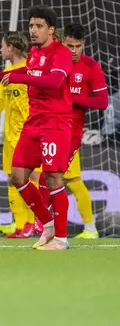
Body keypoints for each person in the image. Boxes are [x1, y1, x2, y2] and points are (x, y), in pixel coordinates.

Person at [0, 5, 73, 250]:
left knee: (52, 178)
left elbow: (54, 81)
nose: (33, 30)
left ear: (51, 29)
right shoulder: (36, 53)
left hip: (55, 123)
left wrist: (21, 77)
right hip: (33, 123)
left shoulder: (61, 53)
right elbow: (25, 70)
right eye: (31, 26)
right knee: (17, 176)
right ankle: (47, 224)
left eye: (39, 26)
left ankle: (61, 239)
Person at [0, 31, 38, 238]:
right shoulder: (9, 72)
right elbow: (1, 100)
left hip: (28, 135)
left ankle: (33, 221)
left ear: (11, 47)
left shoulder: (31, 71)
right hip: (10, 137)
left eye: (3, 46)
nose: (0, 49)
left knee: (31, 178)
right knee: (11, 179)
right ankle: (21, 226)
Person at [61, 23, 108, 239]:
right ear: (62, 42)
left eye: (77, 46)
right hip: (45, 128)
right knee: (32, 176)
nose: (73, 51)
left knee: (65, 179)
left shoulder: (91, 67)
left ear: (84, 44)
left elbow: (102, 102)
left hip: (69, 132)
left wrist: (72, 99)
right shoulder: (52, 63)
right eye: (69, 45)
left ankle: (89, 229)